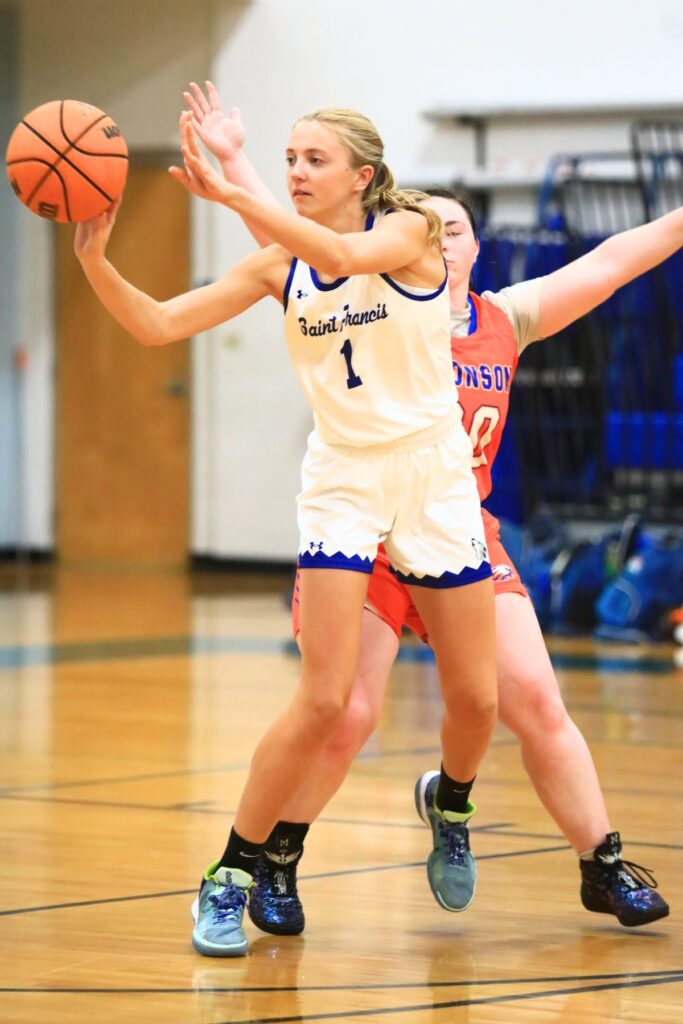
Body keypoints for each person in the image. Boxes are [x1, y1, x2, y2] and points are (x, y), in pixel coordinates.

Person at [182, 82, 674, 934]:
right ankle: (277, 859)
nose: (435, 236)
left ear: (473, 249)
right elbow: (293, 250)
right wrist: (233, 166)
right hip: (365, 528)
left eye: (452, 229)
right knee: (347, 711)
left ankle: (582, 856)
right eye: (422, 225)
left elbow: (610, 262)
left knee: (524, 698)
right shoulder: (357, 293)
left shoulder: (506, 318)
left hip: (455, 528)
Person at [74, 102, 500, 957]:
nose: (298, 172)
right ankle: (230, 872)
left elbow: (341, 253)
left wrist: (234, 187)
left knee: (478, 700)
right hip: (343, 477)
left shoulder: (411, 231)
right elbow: (156, 323)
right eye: (289, 157)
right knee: (323, 697)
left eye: (314, 159)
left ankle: (449, 801)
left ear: (362, 178)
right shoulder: (279, 266)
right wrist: (93, 257)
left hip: (431, 473)